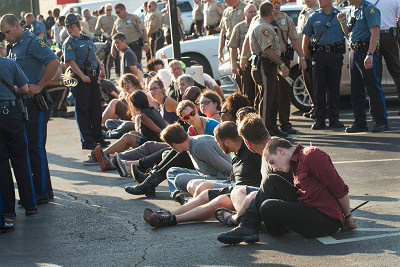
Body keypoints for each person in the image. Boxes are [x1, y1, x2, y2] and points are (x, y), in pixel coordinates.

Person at [217, 116, 356, 245]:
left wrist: (348, 218)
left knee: (267, 206)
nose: (274, 167)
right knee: (270, 181)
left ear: (281, 151)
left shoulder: (311, 155)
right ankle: (247, 227)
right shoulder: (293, 163)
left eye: (272, 162)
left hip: (325, 219)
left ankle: (250, 226)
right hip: (307, 207)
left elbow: (339, 189)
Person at [143, 121, 262, 228]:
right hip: (237, 188)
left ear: (227, 142)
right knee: (205, 194)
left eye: (218, 143)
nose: (218, 146)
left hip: (245, 193)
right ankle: (168, 214)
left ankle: (172, 219)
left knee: (218, 201)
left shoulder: (251, 152)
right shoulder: (237, 154)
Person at [1, 14, 60, 204]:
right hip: (23, 103)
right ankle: (39, 190)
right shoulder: (14, 46)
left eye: (8, 32)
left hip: (36, 101)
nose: (6, 37)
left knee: (36, 147)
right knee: (29, 148)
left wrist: (41, 85)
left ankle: (41, 192)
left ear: (18, 26)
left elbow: (54, 62)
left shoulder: (32, 41)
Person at [0, 40, 38, 227]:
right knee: (21, 160)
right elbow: (24, 89)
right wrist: (13, 89)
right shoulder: (10, 63)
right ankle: (30, 205)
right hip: (12, 115)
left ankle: (8, 209)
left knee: (1, 165)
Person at [337, 0, 388, 133]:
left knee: (372, 87)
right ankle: (360, 122)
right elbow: (349, 34)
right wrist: (342, 22)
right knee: (356, 89)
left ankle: (380, 120)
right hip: (354, 51)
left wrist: (370, 54)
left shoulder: (369, 9)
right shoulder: (353, 9)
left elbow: (375, 33)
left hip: (366, 51)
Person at [62, 14, 107, 149]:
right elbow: (70, 61)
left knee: (96, 108)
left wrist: (101, 66)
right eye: (68, 27)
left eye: (72, 26)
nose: (70, 29)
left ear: (78, 26)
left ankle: (98, 137)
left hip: (92, 78)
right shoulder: (69, 43)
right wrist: (81, 76)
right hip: (81, 79)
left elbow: (93, 54)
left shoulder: (86, 39)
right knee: (83, 111)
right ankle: (87, 141)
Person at [248, 2, 290, 137]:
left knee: (274, 98)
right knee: (266, 100)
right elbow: (267, 50)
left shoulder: (264, 25)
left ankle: (272, 127)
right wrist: (282, 65)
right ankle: (265, 130)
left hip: (269, 66)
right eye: (274, 11)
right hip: (263, 66)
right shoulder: (262, 27)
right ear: (271, 13)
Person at [302, 0, 345, 130]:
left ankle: (334, 119)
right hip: (319, 56)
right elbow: (306, 38)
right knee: (319, 90)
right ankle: (319, 119)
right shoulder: (314, 16)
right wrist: (305, 57)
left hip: (335, 55)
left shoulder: (340, 15)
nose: (319, 1)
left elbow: (347, 32)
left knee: (334, 89)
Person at [269, 0, 307, 135]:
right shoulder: (260, 19)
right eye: (272, 1)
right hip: (267, 60)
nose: (276, 4)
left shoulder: (286, 19)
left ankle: (285, 124)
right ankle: (270, 125)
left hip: (283, 59)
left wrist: (302, 57)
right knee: (270, 94)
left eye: (278, 1)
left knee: (284, 92)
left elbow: (295, 40)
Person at [227, 4, 257, 107]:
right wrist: (233, 64)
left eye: (255, 11)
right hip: (245, 65)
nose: (253, 14)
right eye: (250, 12)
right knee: (247, 94)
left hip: (259, 65)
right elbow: (233, 47)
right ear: (245, 14)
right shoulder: (238, 28)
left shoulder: (260, 25)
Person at [374, 0, 400, 114]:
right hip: (377, 36)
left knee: (396, 71)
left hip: (386, 36)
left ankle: (378, 111)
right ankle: (378, 111)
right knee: (376, 74)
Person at [297, 0, 319, 119]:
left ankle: (319, 107)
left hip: (313, 50)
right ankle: (314, 105)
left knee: (316, 81)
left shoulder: (318, 10)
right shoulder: (303, 12)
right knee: (307, 80)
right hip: (303, 51)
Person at [111, 3, 150, 70]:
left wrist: (146, 43)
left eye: (118, 12)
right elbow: (114, 36)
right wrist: (113, 48)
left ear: (123, 10)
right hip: (123, 48)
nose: (117, 14)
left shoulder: (134, 18)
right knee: (125, 66)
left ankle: (139, 79)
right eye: (115, 13)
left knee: (135, 65)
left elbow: (143, 30)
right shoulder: (117, 22)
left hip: (135, 46)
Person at [95, 3, 117, 79]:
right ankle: (107, 78)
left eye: (110, 10)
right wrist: (103, 33)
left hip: (115, 41)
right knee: (107, 62)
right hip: (106, 42)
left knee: (117, 61)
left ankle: (118, 77)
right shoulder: (101, 18)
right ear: (105, 10)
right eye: (107, 10)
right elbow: (97, 30)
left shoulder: (115, 18)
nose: (109, 11)